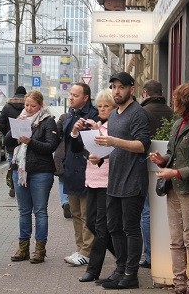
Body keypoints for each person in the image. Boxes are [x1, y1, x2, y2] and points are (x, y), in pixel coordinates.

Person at [150, 83, 189, 294]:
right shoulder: (178, 124)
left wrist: (175, 172)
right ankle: (179, 286)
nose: (173, 101)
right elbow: (172, 154)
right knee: (176, 240)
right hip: (174, 189)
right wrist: (162, 160)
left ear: (188, 103)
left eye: (177, 98)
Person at [93, 72, 150, 290]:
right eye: (114, 87)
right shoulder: (115, 115)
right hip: (115, 180)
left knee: (131, 229)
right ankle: (120, 269)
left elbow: (142, 145)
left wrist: (114, 141)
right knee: (114, 227)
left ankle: (130, 274)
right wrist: (100, 155)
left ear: (131, 89)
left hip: (133, 180)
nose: (117, 91)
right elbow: (115, 147)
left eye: (121, 87)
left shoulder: (138, 113)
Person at [4, 90, 59, 264]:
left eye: (33, 106)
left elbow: (50, 146)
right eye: (27, 105)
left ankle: (40, 249)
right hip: (20, 171)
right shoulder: (21, 118)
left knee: (40, 211)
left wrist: (30, 141)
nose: (28, 108)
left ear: (40, 106)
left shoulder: (48, 121)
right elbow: (8, 143)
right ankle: (23, 248)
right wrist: (15, 128)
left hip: (41, 172)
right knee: (24, 211)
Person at [73, 89, 118, 283]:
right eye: (99, 106)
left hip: (107, 181)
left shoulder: (113, 129)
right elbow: (77, 149)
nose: (102, 109)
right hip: (92, 180)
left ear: (114, 108)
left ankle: (93, 270)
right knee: (91, 223)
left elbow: (114, 151)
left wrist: (99, 152)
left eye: (106, 106)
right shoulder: (98, 126)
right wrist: (76, 132)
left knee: (100, 226)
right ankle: (124, 257)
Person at [62, 83, 99, 266]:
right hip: (71, 170)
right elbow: (68, 138)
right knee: (75, 213)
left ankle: (87, 250)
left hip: (85, 170)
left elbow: (89, 143)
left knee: (86, 214)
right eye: (70, 94)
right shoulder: (71, 114)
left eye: (75, 95)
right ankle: (80, 248)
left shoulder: (92, 115)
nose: (71, 98)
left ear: (85, 97)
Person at [139, 79, 174, 269]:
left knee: (146, 210)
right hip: (168, 167)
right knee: (164, 211)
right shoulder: (171, 112)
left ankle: (150, 255)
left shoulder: (142, 112)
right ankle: (164, 252)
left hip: (147, 166)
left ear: (145, 93)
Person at [0, 86, 27, 197]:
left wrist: (7, 133)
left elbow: (1, 123)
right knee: (24, 163)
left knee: (13, 164)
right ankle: (23, 186)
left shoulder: (7, 107)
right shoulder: (29, 105)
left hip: (11, 141)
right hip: (26, 140)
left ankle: (14, 187)